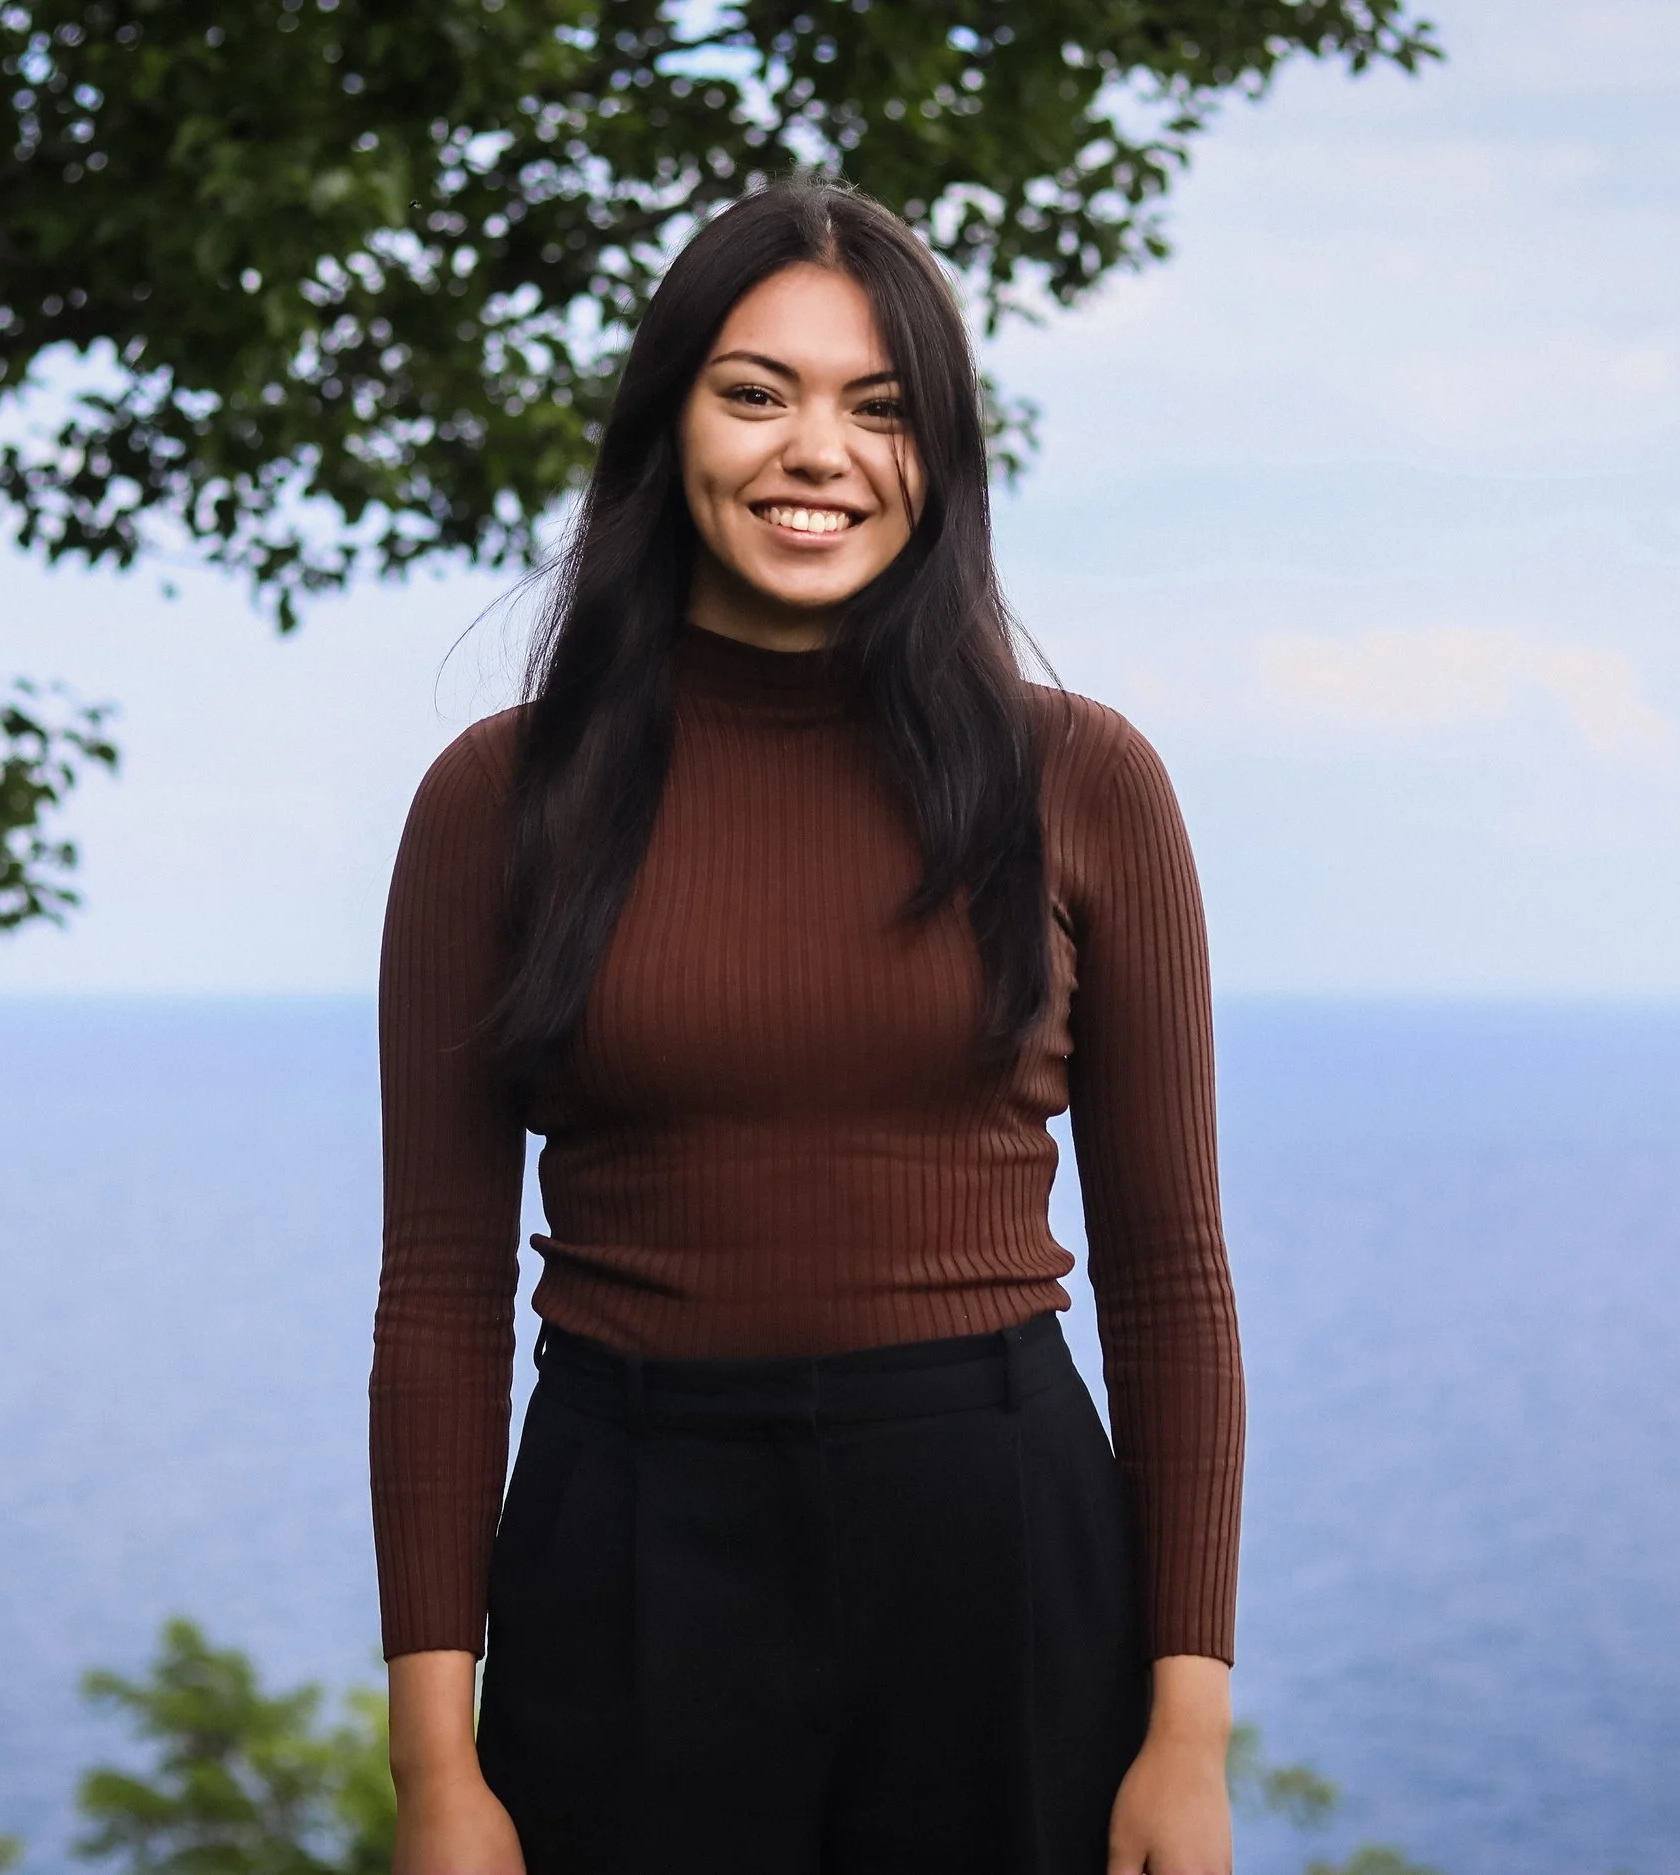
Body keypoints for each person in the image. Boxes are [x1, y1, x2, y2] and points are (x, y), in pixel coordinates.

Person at [369, 177, 1245, 1875]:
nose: (815, 452)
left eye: (879, 406)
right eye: (756, 391)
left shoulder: (1084, 779)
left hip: (996, 1548)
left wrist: (1186, 1735)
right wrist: (436, 1769)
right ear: (667, 423)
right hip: (622, 1545)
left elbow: (1170, 1275)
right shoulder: (498, 799)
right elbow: (439, 1291)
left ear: (941, 457)